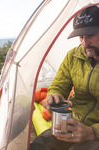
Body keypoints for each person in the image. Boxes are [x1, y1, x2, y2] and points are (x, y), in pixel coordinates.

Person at [28, 5, 99, 150]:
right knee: (40, 145)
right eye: (81, 37)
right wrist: (54, 95)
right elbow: (58, 84)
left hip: (95, 131)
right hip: (72, 124)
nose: (84, 43)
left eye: (90, 35)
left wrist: (92, 132)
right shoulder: (73, 56)